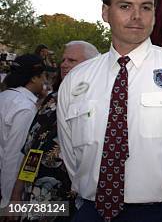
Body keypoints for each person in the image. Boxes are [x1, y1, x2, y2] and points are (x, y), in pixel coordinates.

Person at [57, 0, 162, 222]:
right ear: (105, 12)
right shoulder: (76, 79)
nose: (137, 16)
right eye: (125, 6)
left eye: (146, 7)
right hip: (93, 211)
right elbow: (70, 154)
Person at [9, 41, 100, 221]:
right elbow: (31, 148)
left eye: (71, 60)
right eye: (63, 59)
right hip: (32, 200)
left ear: (92, 65)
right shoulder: (51, 99)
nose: (64, 64)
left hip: (70, 203)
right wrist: (16, 196)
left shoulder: (98, 102)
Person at [0, 55, 50, 209]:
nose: (45, 82)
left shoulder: (4, 97)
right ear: (34, 78)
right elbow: (15, 155)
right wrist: (9, 201)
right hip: (7, 188)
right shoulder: (25, 108)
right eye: (43, 77)